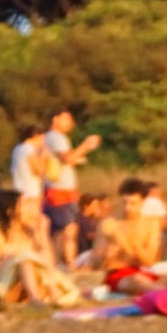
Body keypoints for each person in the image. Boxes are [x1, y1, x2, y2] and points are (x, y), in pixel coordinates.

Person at [0, 192, 77, 306]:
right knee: (25, 260)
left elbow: (49, 265)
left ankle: (50, 294)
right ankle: (36, 300)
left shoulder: (32, 230)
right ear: (10, 212)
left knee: (31, 261)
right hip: (6, 285)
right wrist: (13, 258)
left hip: (32, 284)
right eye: (24, 205)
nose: (29, 209)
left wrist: (41, 234)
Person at [43, 110, 101, 264]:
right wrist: (86, 146)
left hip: (57, 190)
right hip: (61, 191)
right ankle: (70, 263)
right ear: (55, 119)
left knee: (59, 232)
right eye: (66, 119)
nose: (70, 123)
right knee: (69, 229)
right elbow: (67, 158)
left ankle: (57, 262)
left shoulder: (49, 138)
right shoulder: (56, 137)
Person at [92, 178, 167, 296]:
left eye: (133, 203)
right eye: (124, 202)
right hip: (117, 275)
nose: (127, 208)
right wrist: (107, 253)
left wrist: (128, 244)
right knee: (137, 280)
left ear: (143, 202)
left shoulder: (151, 223)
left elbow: (149, 262)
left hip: (142, 272)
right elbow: (95, 264)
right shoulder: (108, 223)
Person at [7, 125, 52, 245]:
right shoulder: (28, 150)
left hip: (19, 194)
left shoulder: (17, 149)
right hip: (31, 195)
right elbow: (38, 170)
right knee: (34, 227)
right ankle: (38, 248)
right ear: (36, 137)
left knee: (21, 227)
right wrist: (44, 155)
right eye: (42, 138)